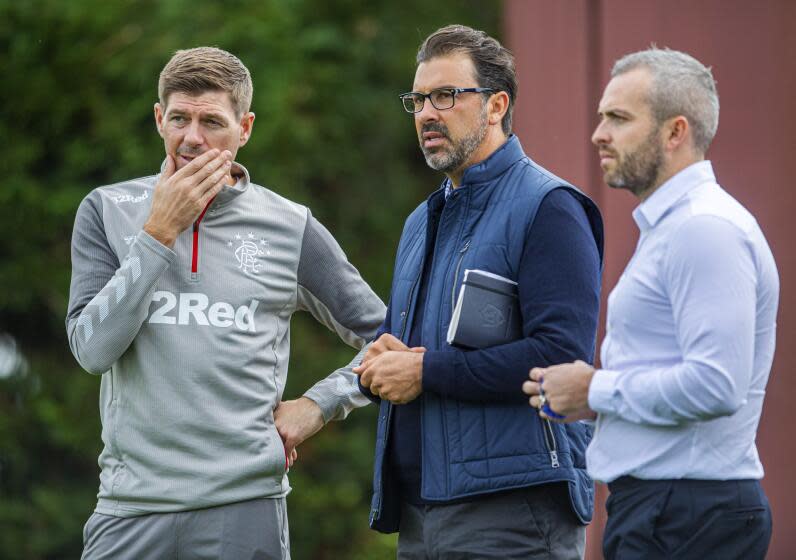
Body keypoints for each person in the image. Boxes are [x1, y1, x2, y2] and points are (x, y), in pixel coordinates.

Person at [66, 47, 385, 559]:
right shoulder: (106, 210)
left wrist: (319, 405)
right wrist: (158, 232)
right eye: (179, 119)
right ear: (158, 120)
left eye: (212, 121)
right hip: (129, 509)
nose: (192, 138)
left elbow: (389, 338)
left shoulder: (290, 226)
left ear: (245, 128)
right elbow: (91, 350)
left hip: (244, 505)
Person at [354, 25, 604, 559]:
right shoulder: (421, 221)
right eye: (418, 100)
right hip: (421, 516)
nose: (426, 114)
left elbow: (560, 358)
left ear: (496, 105)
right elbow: (409, 346)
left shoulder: (550, 207)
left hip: (514, 514)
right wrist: (379, 360)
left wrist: (424, 372)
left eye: (446, 96)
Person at [523, 47, 778, 560]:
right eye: (601, 117)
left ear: (675, 132)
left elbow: (717, 384)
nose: (599, 133)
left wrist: (596, 388)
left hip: (687, 512)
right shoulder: (678, 226)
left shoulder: (703, 229)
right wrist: (588, 401)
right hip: (670, 510)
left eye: (618, 118)